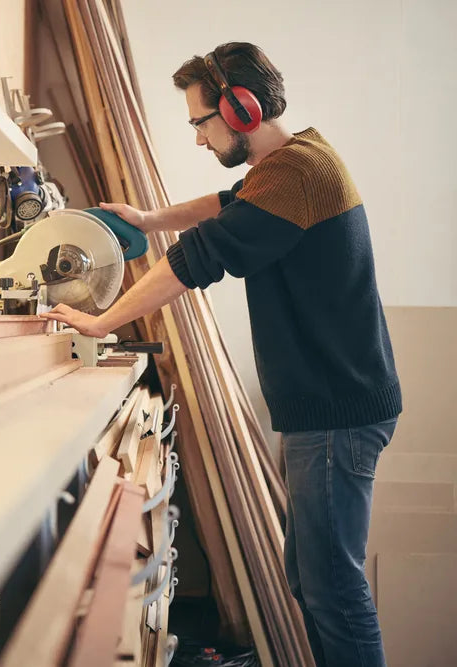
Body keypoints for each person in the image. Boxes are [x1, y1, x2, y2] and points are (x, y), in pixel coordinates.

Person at [40, 42, 402, 667]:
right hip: (327, 408)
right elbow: (227, 205)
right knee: (309, 584)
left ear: (240, 110)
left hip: (337, 414)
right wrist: (149, 219)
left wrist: (101, 322)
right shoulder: (292, 163)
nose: (200, 140)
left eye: (200, 123)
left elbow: (200, 257)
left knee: (334, 592)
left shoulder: (296, 173)